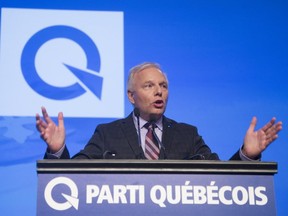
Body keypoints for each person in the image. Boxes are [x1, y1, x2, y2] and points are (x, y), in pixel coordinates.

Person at [36, 62, 282, 160]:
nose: (159, 92)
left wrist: (246, 156)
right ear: (131, 96)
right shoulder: (108, 133)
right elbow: (76, 178)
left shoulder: (187, 134)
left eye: (163, 86)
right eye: (149, 86)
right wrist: (57, 151)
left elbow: (220, 181)